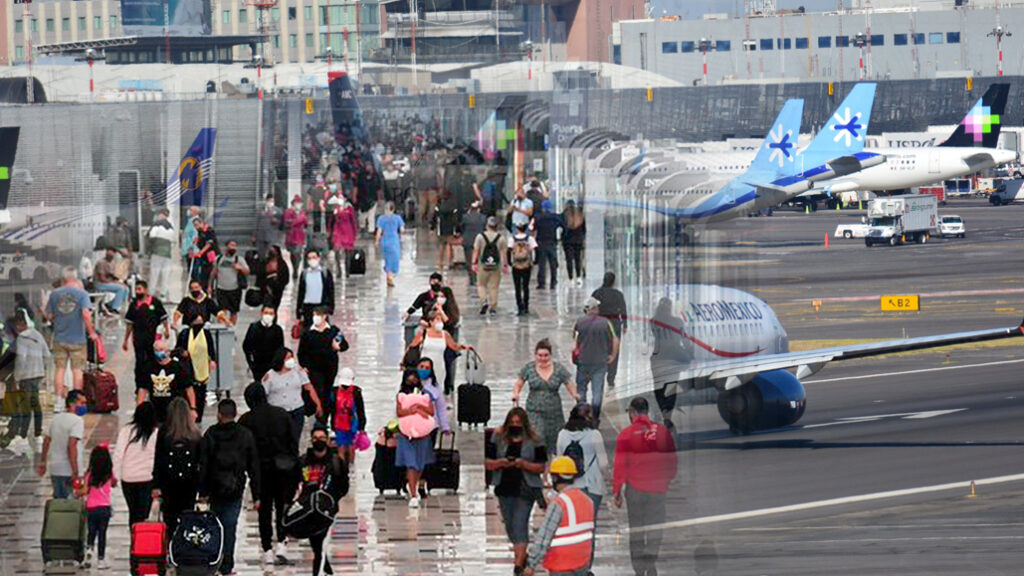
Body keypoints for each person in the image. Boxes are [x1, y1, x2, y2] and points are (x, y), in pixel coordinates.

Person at [613, 397, 678, 576]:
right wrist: (668, 477)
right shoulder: (662, 432)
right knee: (656, 527)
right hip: (658, 490)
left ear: (632, 413)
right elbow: (671, 459)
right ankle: (651, 558)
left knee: (637, 530)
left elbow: (620, 465)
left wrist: (617, 491)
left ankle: (639, 569)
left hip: (635, 491)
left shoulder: (626, 434)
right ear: (646, 411)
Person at [239, 382, 299, 569]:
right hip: (284, 470)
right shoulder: (282, 414)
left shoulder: (246, 420)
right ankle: (282, 543)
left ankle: (267, 551)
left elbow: (244, 451)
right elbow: (293, 444)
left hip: (261, 474)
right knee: (283, 507)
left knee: (264, 512)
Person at [197, 399, 261, 576]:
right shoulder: (245, 435)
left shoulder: (210, 434)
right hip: (235, 488)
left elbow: (203, 465)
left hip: (213, 489)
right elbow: (253, 466)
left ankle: (213, 561)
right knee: (229, 526)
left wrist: (202, 492)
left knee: (213, 526)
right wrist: (257, 495)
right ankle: (227, 565)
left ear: (219, 414)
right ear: (235, 414)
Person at [484, 407, 547, 575]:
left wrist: (523, 464)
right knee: (510, 526)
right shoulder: (498, 437)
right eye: (512, 422)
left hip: (526, 489)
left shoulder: (535, 439)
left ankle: (518, 565)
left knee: (520, 523)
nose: (515, 425)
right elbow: (488, 462)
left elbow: (541, 466)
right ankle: (522, 555)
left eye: (518, 423)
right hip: (504, 487)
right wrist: (502, 463)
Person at [522, 456, 595, 576]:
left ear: (555, 477)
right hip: (582, 564)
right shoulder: (587, 500)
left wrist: (531, 564)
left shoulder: (559, 504)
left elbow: (544, 537)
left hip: (561, 565)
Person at [556, 404, 607, 572]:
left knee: (570, 525)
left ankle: (570, 562)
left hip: (570, 488)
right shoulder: (595, 435)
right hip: (592, 488)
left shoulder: (562, 435)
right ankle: (585, 566)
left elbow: (559, 460)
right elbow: (604, 464)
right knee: (589, 528)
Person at [298, 424, 350, 576]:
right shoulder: (303, 461)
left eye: (321, 438)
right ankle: (327, 570)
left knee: (320, 543)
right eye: (315, 438)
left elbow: (343, 486)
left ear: (327, 440)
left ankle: (319, 572)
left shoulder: (336, 463)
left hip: (327, 511)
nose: (318, 441)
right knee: (316, 544)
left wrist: (332, 501)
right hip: (308, 509)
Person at [45, 268, 99, 407]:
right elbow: (86, 315)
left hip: (59, 338)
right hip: (78, 339)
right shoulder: (82, 294)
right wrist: (92, 332)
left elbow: (49, 316)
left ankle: (59, 402)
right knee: (77, 370)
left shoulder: (54, 294)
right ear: (75, 279)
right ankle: (76, 402)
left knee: (60, 370)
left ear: (63, 280)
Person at [513, 339, 579, 454]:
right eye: (540, 355)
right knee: (538, 438)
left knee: (554, 442)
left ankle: (549, 468)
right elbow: (519, 382)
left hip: (554, 413)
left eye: (546, 355)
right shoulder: (529, 368)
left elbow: (568, 383)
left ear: (550, 355)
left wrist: (574, 394)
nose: (543, 358)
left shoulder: (558, 369)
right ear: (535, 355)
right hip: (534, 411)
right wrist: (516, 394)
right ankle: (539, 467)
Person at [152, 397, 202, 538]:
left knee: (170, 516)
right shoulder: (195, 434)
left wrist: (156, 485)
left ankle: (171, 544)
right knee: (187, 514)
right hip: (190, 482)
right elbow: (201, 461)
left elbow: (158, 459)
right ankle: (184, 545)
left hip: (169, 482)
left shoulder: (164, 433)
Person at [1, 314, 48, 453]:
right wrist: (42, 369)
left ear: (20, 325)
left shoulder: (21, 338)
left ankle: (22, 437)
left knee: (25, 406)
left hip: (26, 376)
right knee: (36, 404)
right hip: (37, 375)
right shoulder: (37, 335)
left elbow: (21, 359)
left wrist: (17, 377)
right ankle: (38, 434)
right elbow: (46, 354)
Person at [262, 348, 323, 446]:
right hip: (278, 413)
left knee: (295, 439)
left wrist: (318, 403)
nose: (291, 360)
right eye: (288, 358)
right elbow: (263, 394)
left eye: (292, 357)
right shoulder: (270, 375)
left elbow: (309, 387)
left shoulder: (298, 370)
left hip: (297, 410)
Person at [573, 297, 619, 424]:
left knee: (581, 390)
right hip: (600, 362)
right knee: (597, 392)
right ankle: (594, 418)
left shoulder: (579, 322)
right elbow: (615, 339)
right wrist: (613, 355)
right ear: (595, 308)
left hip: (583, 362)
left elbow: (574, 343)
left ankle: (582, 417)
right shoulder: (606, 322)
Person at [298, 307, 347, 424]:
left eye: (318, 315)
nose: (316, 317)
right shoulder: (308, 333)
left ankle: (324, 417)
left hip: (330, 368)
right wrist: (304, 365)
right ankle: (320, 418)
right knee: (318, 391)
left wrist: (338, 347)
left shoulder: (334, 331)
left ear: (325, 316)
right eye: (314, 315)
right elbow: (301, 352)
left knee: (326, 392)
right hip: (314, 369)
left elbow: (345, 345)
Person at [112, 401, 158, 526]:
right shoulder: (156, 433)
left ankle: (134, 538)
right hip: (148, 477)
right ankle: (141, 539)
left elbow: (118, 454)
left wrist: (114, 475)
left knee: (133, 511)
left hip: (128, 477)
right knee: (143, 513)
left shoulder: (126, 431)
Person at [395, 369, 436, 508]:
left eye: (414, 378)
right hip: (407, 434)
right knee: (411, 463)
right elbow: (399, 412)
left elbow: (431, 411)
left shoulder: (425, 394)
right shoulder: (401, 395)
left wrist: (420, 408)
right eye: (409, 378)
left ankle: (413, 483)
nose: (412, 381)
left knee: (421, 463)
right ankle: (413, 494)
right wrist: (410, 411)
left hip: (423, 433)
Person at [124, 280, 170, 401]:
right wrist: (125, 340)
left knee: (154, 361)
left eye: (140, 289)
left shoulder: (155, 302)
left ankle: (153, 384)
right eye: (136, 290)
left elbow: (164, 317)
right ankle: (139, 386)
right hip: (138, 340)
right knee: (139, 363)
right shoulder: (134, 304)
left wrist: (167, 330)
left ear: (145, 290)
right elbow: (129, 323)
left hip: (153, 340)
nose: (138, 292)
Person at [407, 311, 473, 396]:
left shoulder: (445, 334)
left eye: (441, 320)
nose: (440, 323)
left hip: (439, 367)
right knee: (424, 389)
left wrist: (465, 347)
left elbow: (453, 346)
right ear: (431, 322)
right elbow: (412, 346)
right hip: (425, 367)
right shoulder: (423, 334)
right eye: (437, 320)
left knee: (437, 390)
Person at [37, 391, 87, 499]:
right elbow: (71, 446)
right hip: (69, 470)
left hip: (55, 469)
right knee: (71, 506)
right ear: (72, 403)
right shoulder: (77, 421)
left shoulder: (56, 418)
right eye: (82, 403)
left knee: (59, 503)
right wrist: (75, 471)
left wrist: (43, 462)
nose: (84, 406)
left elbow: (46, 441)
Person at [649, 297, 688, 430]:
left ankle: (662, 411)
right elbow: (685, 339)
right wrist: (690, 355)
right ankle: (668, 416)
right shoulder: (678, 322)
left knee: (658, 387)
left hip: (658, 357)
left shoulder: (653, 322)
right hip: (673, 357)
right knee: (671, 387)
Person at [139, 336, 196, 423]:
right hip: (156, 411)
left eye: (161, 349)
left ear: (168, 351)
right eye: (156, 350)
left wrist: (192, 408)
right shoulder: (149, 367)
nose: (158, 352)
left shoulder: (178, 368)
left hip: (175, 411)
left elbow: (189, 388)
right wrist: (139, 408)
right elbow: (143, 389)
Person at [176, 313, 218, 421]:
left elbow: (211, 349)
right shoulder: (184, 334)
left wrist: (213, 360)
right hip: (187, 368)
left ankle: (199, 416)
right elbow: (177, 349)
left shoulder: (206, 334)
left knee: (200, 393)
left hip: (202, 368)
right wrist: (182, 353)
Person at [82, 444, 116, 570]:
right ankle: (101, 559)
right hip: (104, 508)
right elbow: (114, 483)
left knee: (91, 532)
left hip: (91, 508)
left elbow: (85, 490)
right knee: (102, 533)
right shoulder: (108, 474)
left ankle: (88, 552)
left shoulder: (89, 474)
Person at [591, 272, 627, 388]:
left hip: (599, 324)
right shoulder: (618, 294)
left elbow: (589, 307)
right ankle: (611, 377)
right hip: (615, 324)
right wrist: (625, 325)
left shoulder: (597, 293)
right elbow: (623, 310)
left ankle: (600, 373)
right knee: (614, 350)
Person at [471, 216, 508, 315]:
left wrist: (473, 263)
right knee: (494, 287)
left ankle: (484, 302)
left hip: (483, 265)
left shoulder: (480, 237)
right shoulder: (501, 238)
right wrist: (505, 265)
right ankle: (493, 306)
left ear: (487, 225)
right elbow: (503, 253)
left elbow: (476, 251)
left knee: (481, 285)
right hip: (496, 266)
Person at [330, 367, 366, 467]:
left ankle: (350, 467)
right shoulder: (334, 392)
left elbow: (360, 410)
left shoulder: (356, 392)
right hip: (339, 423)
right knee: (341, 446)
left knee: (351, 446)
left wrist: (362, 426)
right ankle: (343, 468)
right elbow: (331, 409)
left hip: (352, 424)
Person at [243, 305, 285, 383]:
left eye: (271, 313)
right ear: (261, 313)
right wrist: (251, 363)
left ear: (274, 315)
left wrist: (275, 365)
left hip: (272, 368)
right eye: (266, 313)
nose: (268, 315)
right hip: (257, 367)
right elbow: (246, 346)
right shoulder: (254, 328)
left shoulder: (277, 330)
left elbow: (280, 349)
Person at [212, 240, 250, 326]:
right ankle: (222, 327)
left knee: (234, 311)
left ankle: (232, 327)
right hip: (221, 288)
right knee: (222, 311)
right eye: (231, 245)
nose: (233, 247)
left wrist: (240, 268)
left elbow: (247, 271)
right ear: (226, 247)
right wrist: (210, 286)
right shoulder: (218, 259)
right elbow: (214, 273)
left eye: (234, 246)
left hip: (235, 289)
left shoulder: (239, 259)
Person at [296, 249, 336, 330]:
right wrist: (298, 309)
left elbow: (330, 290)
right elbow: (301, 292)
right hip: (307, 308)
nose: (312, 260)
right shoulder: (304, 274)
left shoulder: (325, 273)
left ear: (318, 258)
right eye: (309, 258)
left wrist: (331, 307)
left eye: (314, 257)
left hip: (321, 307)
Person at [146, 208, 176, 300]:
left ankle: (151, 292)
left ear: (161, 214)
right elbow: (173, 241)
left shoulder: (156, 225)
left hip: (157, 252)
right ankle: (163, 293)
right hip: (167, 254)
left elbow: (150, 236)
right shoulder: (171, 226)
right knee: (165, 273)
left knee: (154, 273)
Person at [534, 200, 563, 290]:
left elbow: (534, 227)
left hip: (541, 242)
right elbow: (563, 225)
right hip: (552, 242)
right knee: (553, 263)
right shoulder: (555, 217)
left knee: (542, 264)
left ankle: (541, 283)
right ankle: (553, 282)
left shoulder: (538, 217)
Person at [509, 224, 538, 316]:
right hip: (527, 265)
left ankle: (519, 307)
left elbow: (508, 250)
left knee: (517, 287)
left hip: (516, 265)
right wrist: (535, 261)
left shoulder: (512, 239)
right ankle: (526, 306)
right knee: (526, 286)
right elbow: (536, 249)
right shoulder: (529, 239)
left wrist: (510, 262)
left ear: (517, 229)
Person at [375, 201, 405, 287]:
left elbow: (379, 231)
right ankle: (390, 276)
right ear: (393, 209)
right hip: (394, 240)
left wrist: (377, 241)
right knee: (395, 260)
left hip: (385, 240)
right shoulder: (397, 218)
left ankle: (389, 275)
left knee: (387, 259)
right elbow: (402, 229)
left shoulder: (381, 218)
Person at [94, 246, 131, 314]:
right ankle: (114, 308)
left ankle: (110, 305)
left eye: (113, 252)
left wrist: (118, 250)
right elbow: (102, 279)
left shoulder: (113, 262)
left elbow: (127, 257)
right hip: (100, 283)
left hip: (107, 282)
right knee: (121, 289)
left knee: (126, 289)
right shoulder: (101, 262)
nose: (110, 253)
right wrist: (115, 283)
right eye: (109, 251)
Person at [330, 194, 358, 278]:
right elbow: (331, 221)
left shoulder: (349, 208)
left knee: (348, 251)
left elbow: (353, 220)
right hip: (337, 230)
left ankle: (347, 270)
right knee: (337, 249)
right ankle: (339, 270)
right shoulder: (335, 208)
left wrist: (355, 232)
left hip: (347, 230)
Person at [459, 201, 487, 287]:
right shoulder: (483, 218)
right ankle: (479, 278)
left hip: (468, 241)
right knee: (480, 260)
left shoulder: (465, 217)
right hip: (480, 241)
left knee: (469, 261)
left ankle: (472, 279)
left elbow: (460, 228)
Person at [433, 189, 461, 270]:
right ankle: (449, 262)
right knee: (449, 245)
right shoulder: (453, 205)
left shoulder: (439, 205)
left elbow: (435, 217)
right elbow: (456, 218)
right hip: (450, 227)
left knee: (442, 246)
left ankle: (440, 263)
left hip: (441, 227)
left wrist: (432, 227)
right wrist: (458, 229)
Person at [283, 196, 309, 280]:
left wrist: (302, 220)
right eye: (297, 203)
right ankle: (294, 268)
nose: (299, 205)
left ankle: (296, 270)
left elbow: (306, 223)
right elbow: (288, 222)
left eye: (300, 203)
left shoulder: (302, 212)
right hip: (291, 235)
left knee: (298, 253)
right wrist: (299, 219)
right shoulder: (288, 212)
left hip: (300, 236)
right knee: (293, 253)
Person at [258, 245, 290, 311]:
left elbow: (285, 277)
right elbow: (260, 275)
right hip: (266, 290)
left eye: (273, 250)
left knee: (275, 308)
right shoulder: (265, 262)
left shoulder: (282, 264)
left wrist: (280, 284)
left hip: (277, 290)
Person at [189, 218, 219, 289]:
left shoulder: (209, 230)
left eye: (196, 225)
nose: (195, 227)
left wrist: (200, 253)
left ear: (201, 223)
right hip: (204, 259)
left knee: (211, 275)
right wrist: (197, 241)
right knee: (203, 276)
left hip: (212, 256)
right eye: (194, 226)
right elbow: (201, 243)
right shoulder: (200, 231)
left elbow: (209, 244)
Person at [561, 201, 586, 287]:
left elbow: (562, 228)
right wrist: (582, 237)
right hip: (578, 240)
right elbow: (584, 229)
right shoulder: (580, 215)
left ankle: (571, 278)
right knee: (578, 259)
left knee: (569, 260)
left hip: (568, 241)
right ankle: (579, 277)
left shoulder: (564, 215)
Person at [357, 163, 383, 235]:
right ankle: (362, 227)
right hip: (362, 198)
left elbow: (378, 188)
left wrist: (379, 199)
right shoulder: (361, 176)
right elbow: (357, 186)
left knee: (371, 215)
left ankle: (371, 230)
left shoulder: (376, 176)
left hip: (373, 198)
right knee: (362, 215)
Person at [255, 193, 283, 258]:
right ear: (266, 201)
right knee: (261, 254)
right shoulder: (260, 210)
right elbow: (257, 222)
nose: (270, 203)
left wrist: (277, 221)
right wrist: (254, 235)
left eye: (272, 201)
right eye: (269, 201)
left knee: (271, 254)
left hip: (272, 236)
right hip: (261, 235)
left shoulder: (278, 211)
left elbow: (282, 223)